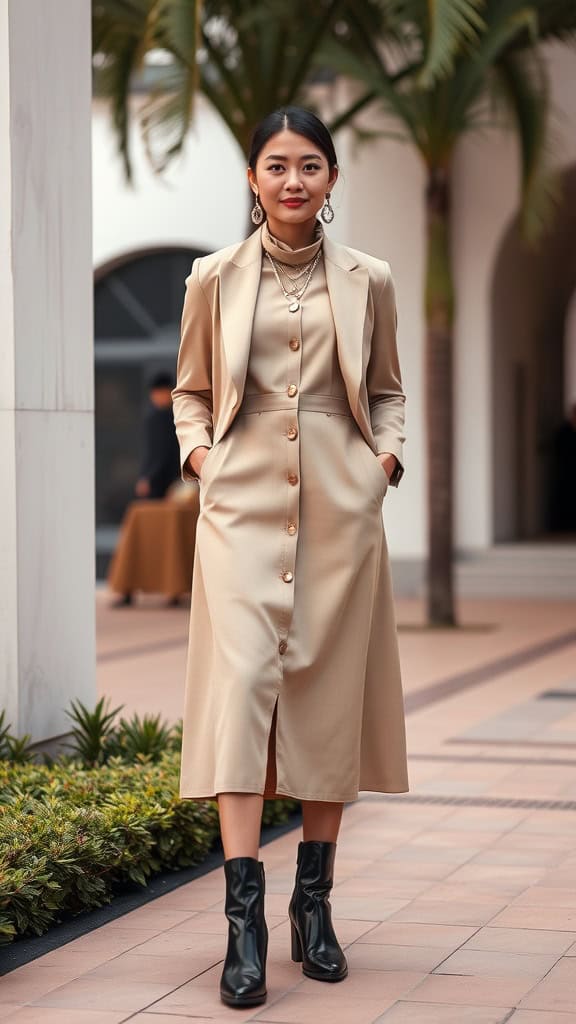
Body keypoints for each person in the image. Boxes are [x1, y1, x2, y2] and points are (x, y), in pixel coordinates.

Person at [172, 106, 408, 1009]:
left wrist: (380, 464)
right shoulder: (213, 278)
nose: (294, 180)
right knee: (239, 697)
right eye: (277, 165)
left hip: (342, 513)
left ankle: (315, 911)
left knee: (321, 693)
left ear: (333, 180)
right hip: (239, 507)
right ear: (253, 179)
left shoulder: (371, 279)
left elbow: (385, 391)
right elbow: (191, 390)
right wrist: (203, 462)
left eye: (311, 165)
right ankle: (244, 925)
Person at [135, 371, 181, 500]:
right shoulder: (173, 416)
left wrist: (148, 477)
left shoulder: (162, 418)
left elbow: (159, 453)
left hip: (164, 481)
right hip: (170, 479)